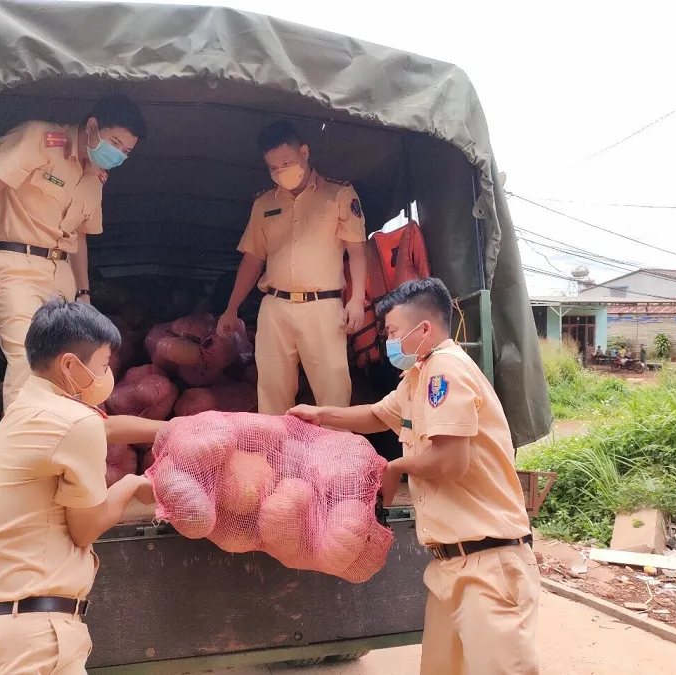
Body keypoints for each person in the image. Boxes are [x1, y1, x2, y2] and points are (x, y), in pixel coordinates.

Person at [289, 277, 539, 675]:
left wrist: (395, 467)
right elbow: (377, 415)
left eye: (392, 332)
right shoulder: (417, 377)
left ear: (423, 329)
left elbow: (451, 462)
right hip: (449, 564)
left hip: (487, 564)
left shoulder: (445, 370)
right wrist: (320, 415)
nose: (388, 341)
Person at [0, 300, 163, 675]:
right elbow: (85, 529)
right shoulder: (73, 423)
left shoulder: (30, 405)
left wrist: (176, 428)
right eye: (103, 365)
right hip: (34, 643)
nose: (106, 375)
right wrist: (133, 484)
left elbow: (103, 426)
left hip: (9, 631)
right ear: (70, 365)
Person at [0, 95, 147, 411]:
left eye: (126, 151)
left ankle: (58, 439)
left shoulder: (96, 176)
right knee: (29, 362)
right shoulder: (38, 139)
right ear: (92, 126)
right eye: (114, 142)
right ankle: (24, 440)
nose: (118, 154)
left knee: (68, 369)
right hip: (15, 267)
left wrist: (84, 294)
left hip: (62, 277)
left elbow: (78, 237)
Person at [217, 120, 367, 415]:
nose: (280, 171)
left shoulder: (339, 194)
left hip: (323, 307)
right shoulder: (263, 203)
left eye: (286, 163)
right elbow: (253, 259)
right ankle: (274, 445)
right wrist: (231, 308)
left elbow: (357, 251)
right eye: (273, 167)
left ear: (304, 153)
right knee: (272, 391)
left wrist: (357, 299)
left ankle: (335, 445)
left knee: (333, 391)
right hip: (275, 308)